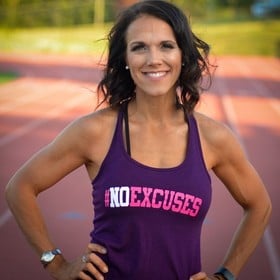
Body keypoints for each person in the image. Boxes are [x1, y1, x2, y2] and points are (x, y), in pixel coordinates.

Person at [5, 1, 272, 280]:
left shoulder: (213, 138)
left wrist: (226, 276)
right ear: (125, 58)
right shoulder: (96, 131)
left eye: (166, 46)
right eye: (139, 47)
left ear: (183, 55)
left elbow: (259, 206)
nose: (153, 59)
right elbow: (20, 188)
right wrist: (56, 264)